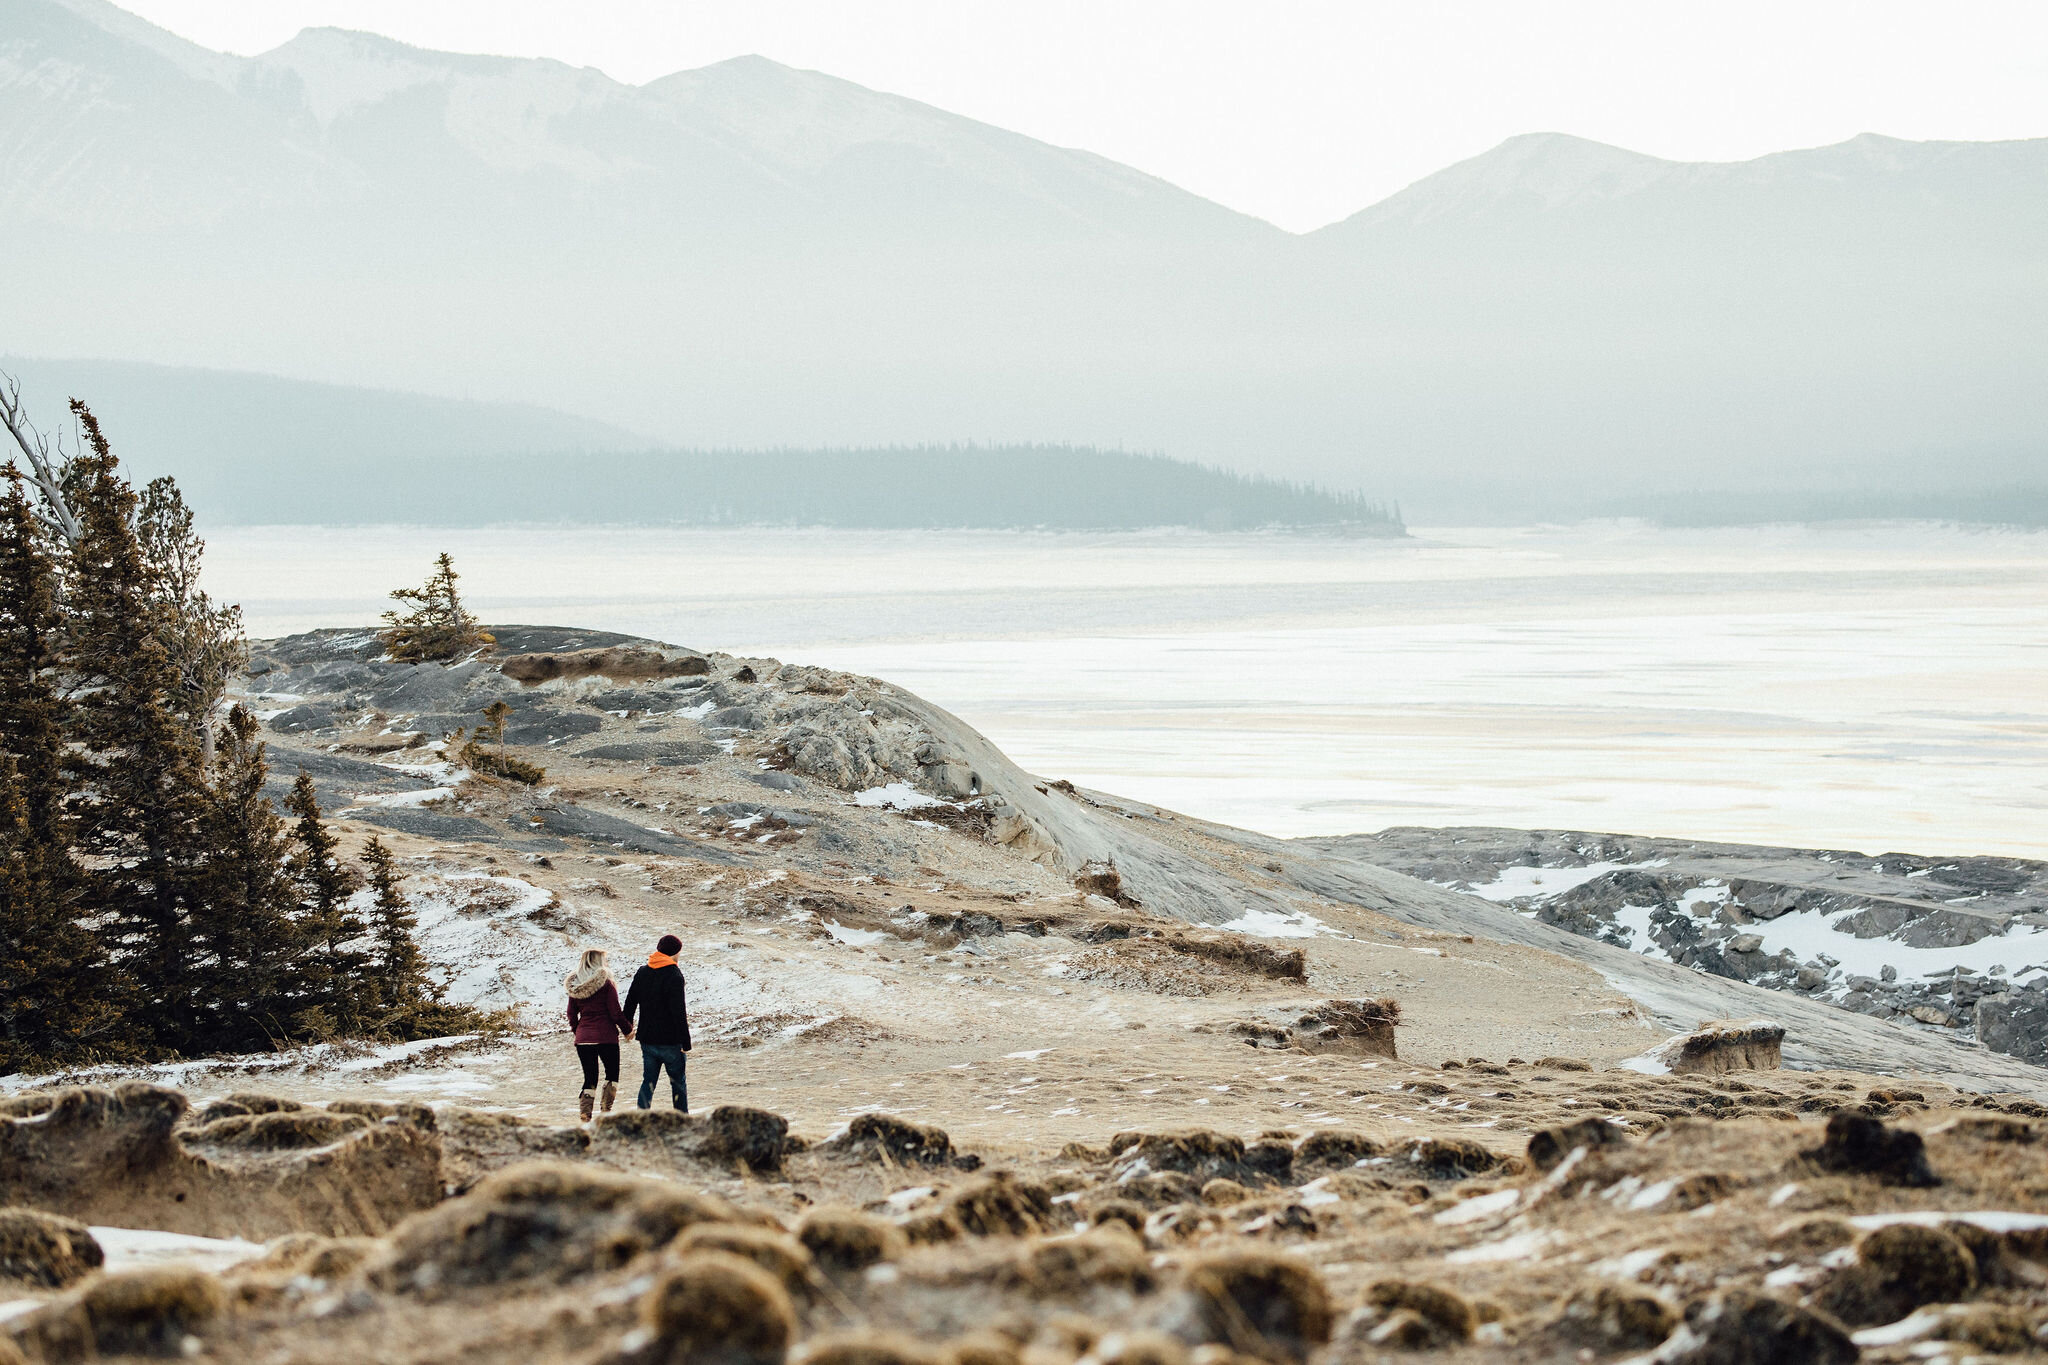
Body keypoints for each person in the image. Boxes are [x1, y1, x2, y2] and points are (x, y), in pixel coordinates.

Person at [622, 933, 692, 1112]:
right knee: (678, 1083)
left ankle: (640, 1118)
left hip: (647, 1038)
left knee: (648, 1082)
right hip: (671, 1041)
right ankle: (681, 1121)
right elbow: (678, 1012)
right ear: (675, 952)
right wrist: (686, 1042)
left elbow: (630, 1002)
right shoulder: (674, 975)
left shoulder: (643, 971)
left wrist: (626, 1026)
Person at [564, 947, 630, 1122]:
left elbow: (571, 1013)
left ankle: (585, 1115)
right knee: (612, 1074)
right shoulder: (606, 984)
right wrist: (627, 1030)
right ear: (598, 962)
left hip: (584, 1039)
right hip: (606, 1037)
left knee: (590, 1078)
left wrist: (578, 1031)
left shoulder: (575, 986)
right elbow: (615, 1012)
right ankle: (606, 1112)